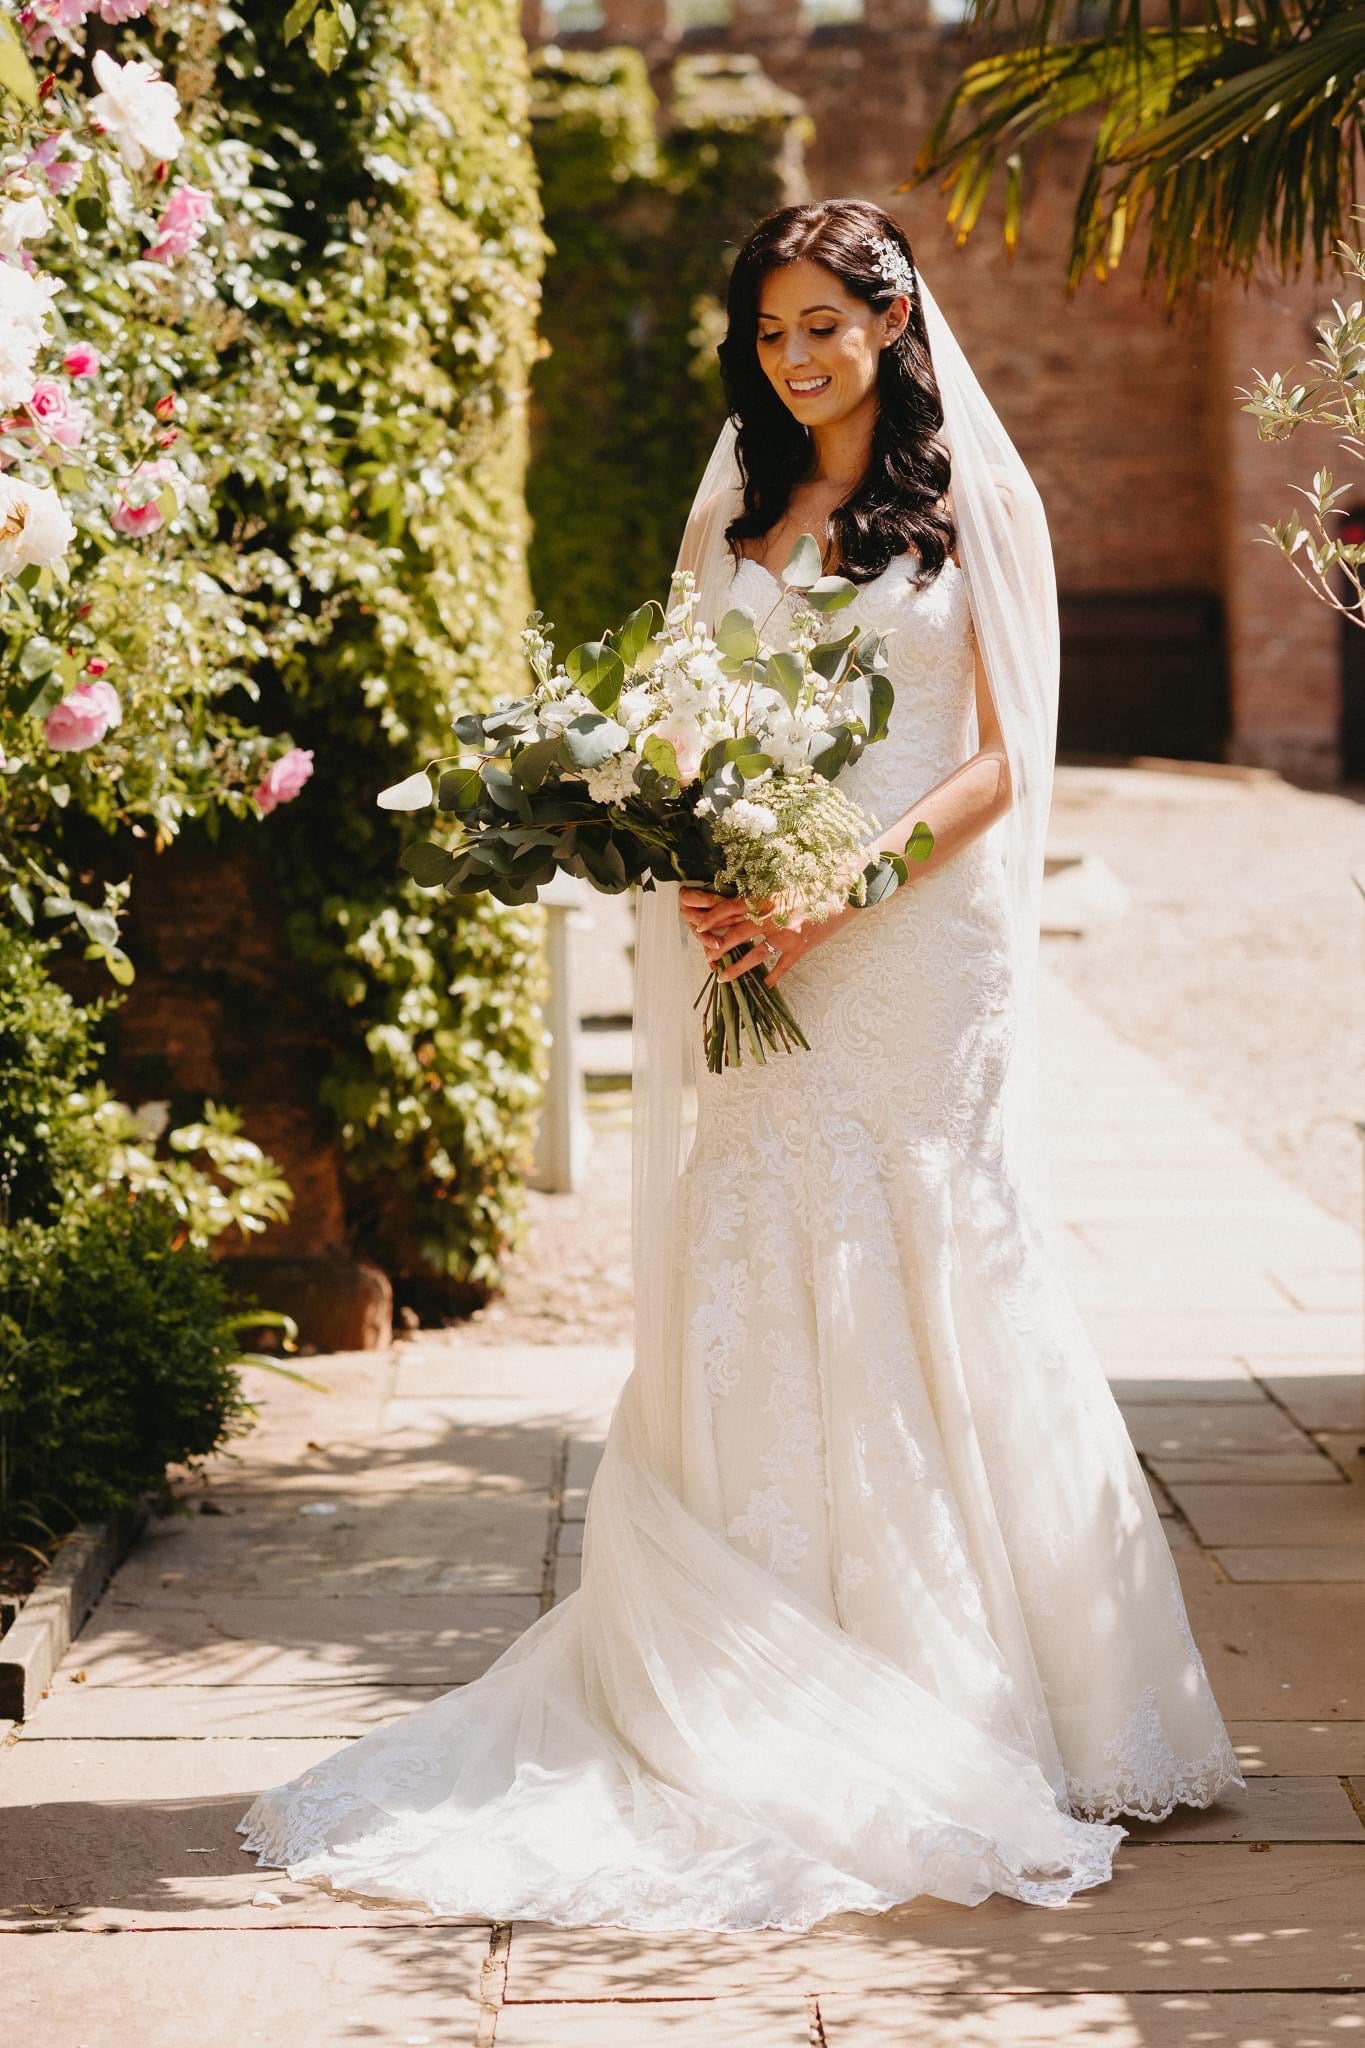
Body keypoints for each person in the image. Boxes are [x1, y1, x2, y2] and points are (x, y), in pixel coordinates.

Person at [238, 197, 1242, 1930]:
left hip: (918, 948)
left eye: (824, 328)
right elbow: (681, 727)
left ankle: (1016, 1688)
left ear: (893, 323)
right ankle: (776, 1659)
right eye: (770, 333)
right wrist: (699, 866)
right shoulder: (735, 514)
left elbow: (1006, 757)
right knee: (766, 1250)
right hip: (750, 939)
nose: (795, 360)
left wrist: (837, 890)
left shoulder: (974, 505)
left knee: (931, 1257)